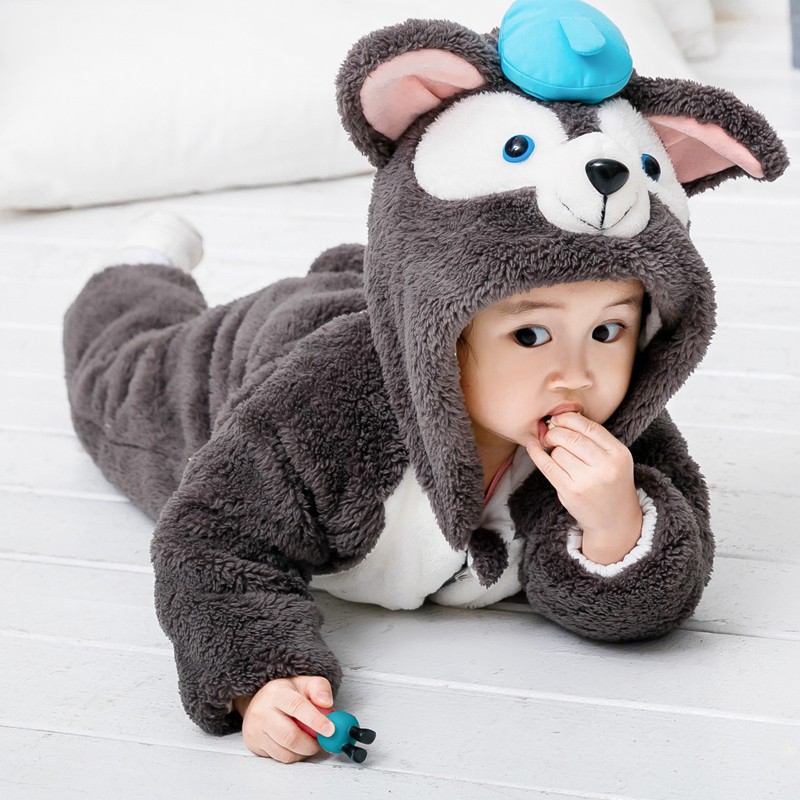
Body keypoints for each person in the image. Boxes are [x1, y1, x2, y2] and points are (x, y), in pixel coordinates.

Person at [63, 1, 787, 764]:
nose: (577, 374)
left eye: (608, 331)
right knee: (121, 377)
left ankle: (367, 273)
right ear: (452, 324)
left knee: (367, 280)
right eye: (530, 335)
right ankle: (139, 265)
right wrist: (262, 678)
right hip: (276, 347)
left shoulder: (622, 433)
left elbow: (659, 589)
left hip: (398, 299)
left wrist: (616, 527)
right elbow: (213, 540)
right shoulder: (321, 410)